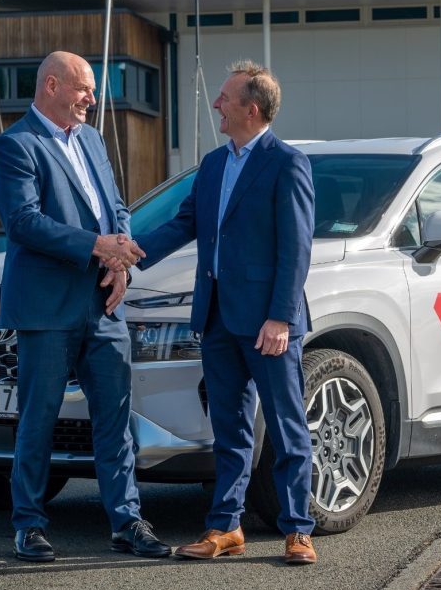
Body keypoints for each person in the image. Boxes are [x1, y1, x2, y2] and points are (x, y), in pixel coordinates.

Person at [0, 51, 170, 562]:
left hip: (103, 304)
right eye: (84, 88)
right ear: (51, 85)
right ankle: (28, 524)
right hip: (47, 310)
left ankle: (127, 522)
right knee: (38, 420)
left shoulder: (91, 138)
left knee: (115, 420)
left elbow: (116, 209)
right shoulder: (14, 145)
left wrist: (120, 264)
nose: (93, 98)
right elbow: (23, 222)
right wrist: (99, 247)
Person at [135, 60, 317, 564]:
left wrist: (280, 317)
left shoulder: (287, 163)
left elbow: (295, 248)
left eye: (225, 98)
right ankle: (225, 527)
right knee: (230, 431)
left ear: (250, 108)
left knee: (286, 427)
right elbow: (183, 224)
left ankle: (298, 529)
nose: (217, 104)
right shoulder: (214, 165)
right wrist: (129, 255)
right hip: (215, 318)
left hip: (267, 324)